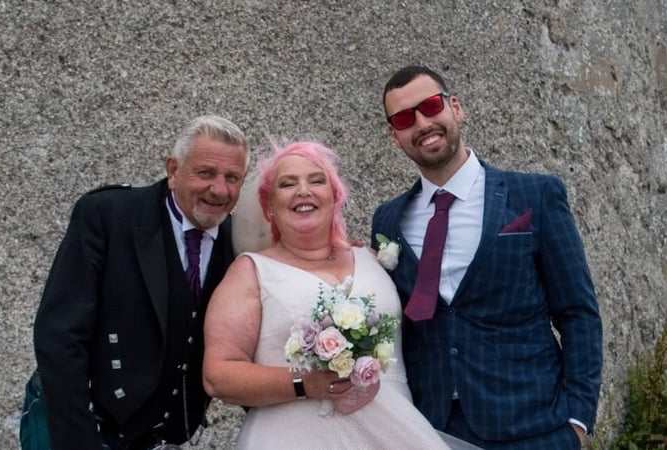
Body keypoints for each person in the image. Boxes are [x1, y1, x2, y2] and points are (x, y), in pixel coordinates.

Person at [371, 65, 604, 449]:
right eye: (403, 118)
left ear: (455, 108)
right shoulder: (389, 219)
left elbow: (578, 312)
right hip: (436, 430)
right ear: (394, 136)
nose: (422, 123)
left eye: (431, 106)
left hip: (535, 426)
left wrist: (577, 418)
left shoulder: (535, 196)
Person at [202, 141, 461, 449]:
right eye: (287, 184)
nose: (303, 190)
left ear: (335, 196)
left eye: (317, 180)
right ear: (269, 206)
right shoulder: (250, 273)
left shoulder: (372, 259)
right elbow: (218, 375)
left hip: (392, 435)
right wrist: (304, 384)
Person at [23, 115, 250, 450]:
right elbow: (60, 336)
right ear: (173, 170)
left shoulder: (239, 242)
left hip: (161, 438)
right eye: (206, 173)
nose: (220, 189)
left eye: (233, 178)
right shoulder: (108, 215)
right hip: (79, 423)